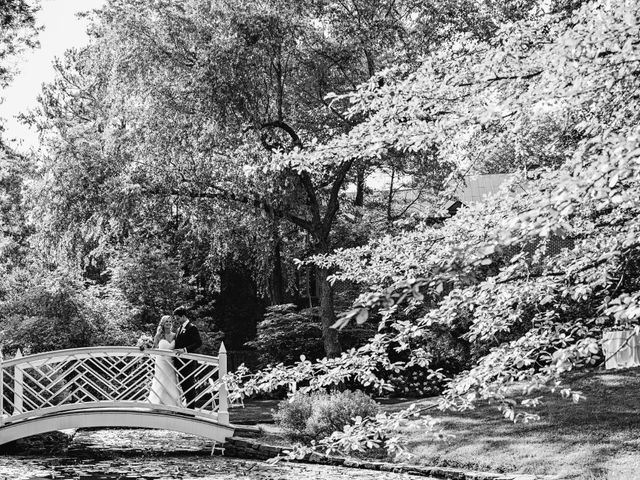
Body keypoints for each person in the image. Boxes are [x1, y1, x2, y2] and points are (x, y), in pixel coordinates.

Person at [147, 315, 183, 407]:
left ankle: (173, 405)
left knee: (171, 381)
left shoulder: (175, 335)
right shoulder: (159, 335)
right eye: (166, 321)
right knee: (160, 381)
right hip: (161, 362)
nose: (168, 323)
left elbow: (179, 347)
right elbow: (153, 349)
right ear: (163, 323)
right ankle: (157, 404)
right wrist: (145, 346)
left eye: (170, 321)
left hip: (171, 362)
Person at [173, 305, 202, 409]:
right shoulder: (179, 328)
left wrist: (185, 350)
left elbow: (198, 342)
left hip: (188, 362)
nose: (177, 321)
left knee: (189, 385)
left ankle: (191, 409)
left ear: (184, 316)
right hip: (180, 362)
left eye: (178, 318)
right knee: (184, 386)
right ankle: (187, 408)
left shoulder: (192, 327)